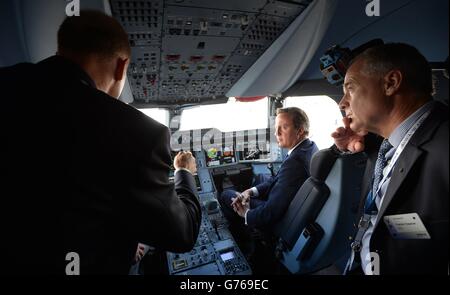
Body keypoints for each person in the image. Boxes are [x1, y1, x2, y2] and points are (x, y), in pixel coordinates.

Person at [0, 10, 201, 274]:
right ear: (121, 67)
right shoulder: (138, 135)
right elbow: (183, 234)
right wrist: (184, 172)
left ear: (63, 48)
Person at [332, 43, 448, 274]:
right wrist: (346, 146)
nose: (342, 103)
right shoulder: (385, 143)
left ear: (391, 83)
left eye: (350, 88)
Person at [219, 107, 318, 257]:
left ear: (300, 131)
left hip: (280, 219)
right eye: (276, 128)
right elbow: (276, 178)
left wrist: (246, 214)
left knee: (227, 195)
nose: (276, 133)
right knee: (261, 178)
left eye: (283, 128)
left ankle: (245, 239)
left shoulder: (294, 163)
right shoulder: (309, 147)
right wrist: (250, 191)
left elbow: (271, 211)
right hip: (292, 203)